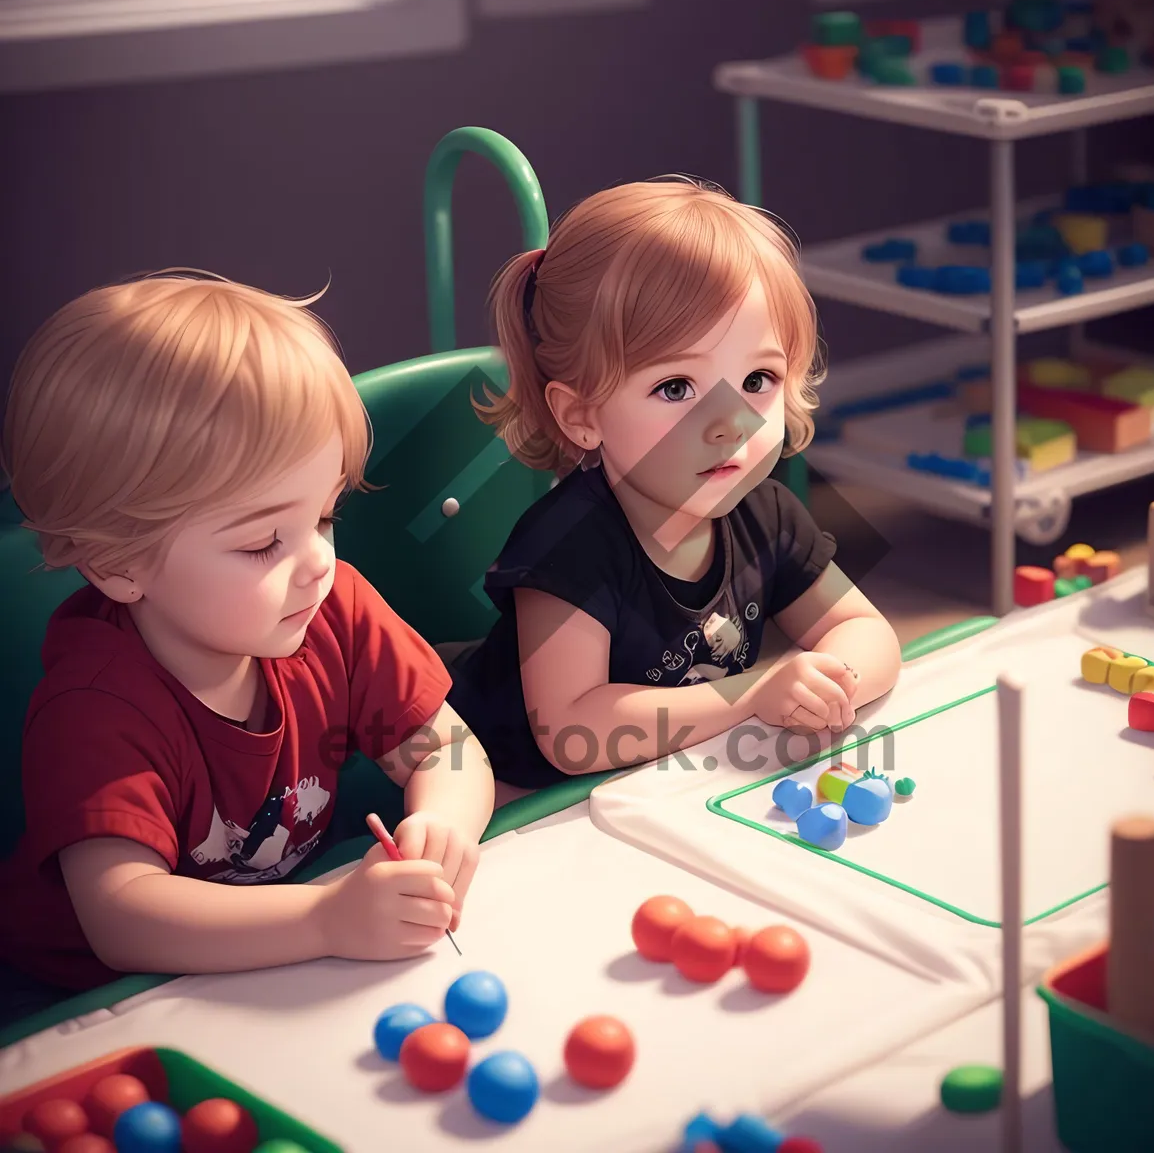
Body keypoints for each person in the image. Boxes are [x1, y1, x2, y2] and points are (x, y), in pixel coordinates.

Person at [0, 272, 494, 1019]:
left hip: (277, 965)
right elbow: (122, 917)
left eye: (324, 516)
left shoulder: (331, 606)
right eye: (265, 542)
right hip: (94, 1006)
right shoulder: (94, 709)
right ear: (119, 566)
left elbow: (449, 749)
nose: (318, 561)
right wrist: (326, 920)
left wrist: (443, 826)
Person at [445, 177, 902, 788]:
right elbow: (575, 733)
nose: (729, 423)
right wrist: (751, 695)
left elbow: (870, 634)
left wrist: (826, 679)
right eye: (676, 388)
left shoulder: (766, 512)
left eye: (758, 380)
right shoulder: (566, 548)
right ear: (582, 415)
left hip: (661, 781)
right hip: (513, 796)